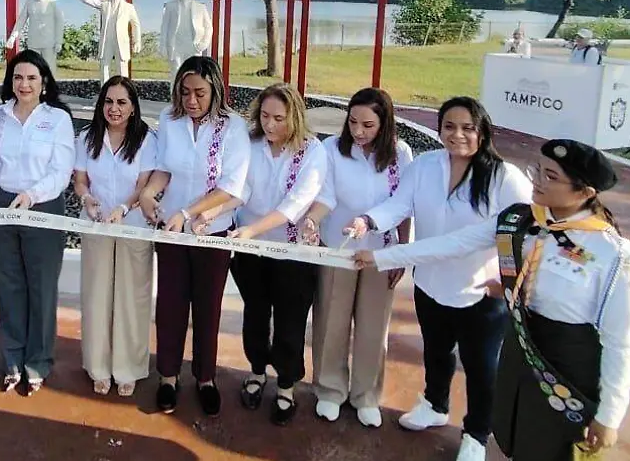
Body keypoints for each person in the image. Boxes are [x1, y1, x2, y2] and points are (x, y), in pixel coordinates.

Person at [354, 139, 630, 461]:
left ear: (585, 193)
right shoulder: (520, 221)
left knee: (556, 447)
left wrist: (610, 415)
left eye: (551, 177)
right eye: (538, 171)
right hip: (520, 347)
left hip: (567, 366)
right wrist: (382, 257)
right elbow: (453, 243)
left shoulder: (612, 253)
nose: (538, 181)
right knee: (516, 433)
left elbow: (622, 343)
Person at [340, 96, 533, 461]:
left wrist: (506, 282)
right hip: (430, 284)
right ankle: (434, 404)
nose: (456, 135)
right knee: (436, 351)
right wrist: (368, 220)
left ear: (482, 132)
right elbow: (399, 203)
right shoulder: (427, 165)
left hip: (479, 293)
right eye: (448, 126)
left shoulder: (506, 180)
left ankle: (476, 432)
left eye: (467, 128)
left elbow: (496, 238)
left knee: (481, 367)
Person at [191, 83, 327, 425]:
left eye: (279, 118)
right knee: (255, 313)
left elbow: (294, 205)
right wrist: (211, 213)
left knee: (290, 321)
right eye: (265, 116)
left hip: (291, 252)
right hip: (250, 250)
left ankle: (285, 385)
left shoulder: (313, 151)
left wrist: (252, 230)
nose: (270, 125)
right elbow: (242, 190)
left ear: (294, 117)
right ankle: (256, 371)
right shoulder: (251, 145)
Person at [138, 55, 250, 417]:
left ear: (215, 90)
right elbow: (164, 171)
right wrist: (148, 195)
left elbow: (231, 186)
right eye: (185, 92)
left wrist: (188, 213)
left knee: (207, 308)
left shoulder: (233, 127)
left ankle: (205, 379)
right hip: (170, 230)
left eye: (199, 93)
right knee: (170, 305)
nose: (191, 100)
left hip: (212, 231)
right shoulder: (170, 122)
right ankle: (168, 377)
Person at [0, 49, 75, 394]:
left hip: (43, 208)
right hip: (3, 206)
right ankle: (12, 358)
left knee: (41, 289)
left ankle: (37, 362)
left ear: (44, 83)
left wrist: (33, 195)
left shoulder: (57, 119)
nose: (23, 84)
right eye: (18, 77)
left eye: (31, 78)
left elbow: (62, 171)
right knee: (10, 287)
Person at [301, 87, 413, 428]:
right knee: (331, 320)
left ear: (385, 124)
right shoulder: (331, 149)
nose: (359, 132)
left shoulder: (400, 153)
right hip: (338, 247)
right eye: (353, 122)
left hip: (380, 252)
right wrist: (313, 222)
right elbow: (325, 194)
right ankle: (329, 389)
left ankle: (365, 395)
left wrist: (401, 252)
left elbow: (405, 203)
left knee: (372, 325)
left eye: (368, 125)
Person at [72, 76, 157, 397]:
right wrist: (86, 199)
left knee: (131, 298)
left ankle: (128, 368)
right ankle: (98, 366)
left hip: (134, 225)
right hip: (95, 225)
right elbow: (80, 180)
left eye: (122, 102)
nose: (114, 109)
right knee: (96, 296)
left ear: (133, 107)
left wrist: (123, 207)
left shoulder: (148, 140)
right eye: (109, 102)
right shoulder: (87, 137)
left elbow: (144, 186)